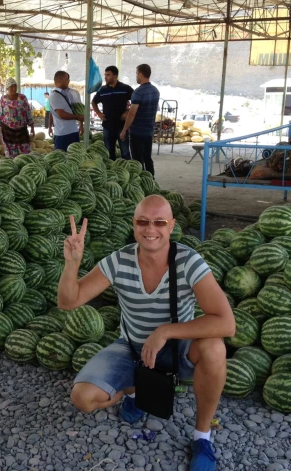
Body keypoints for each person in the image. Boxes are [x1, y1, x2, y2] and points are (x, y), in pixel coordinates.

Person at [58, 194, 234, 471]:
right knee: (83, 398)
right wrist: (72, 263)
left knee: (214, 347)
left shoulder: (189, 262)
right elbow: (68, 301)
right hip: (132, 348)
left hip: (178, 350)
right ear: (134, 224)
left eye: (159, 222)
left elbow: (226, 323)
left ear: (172, 226)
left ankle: (202, 437)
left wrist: (165, 331)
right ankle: (134, 392)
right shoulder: (118, 261)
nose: (151, 229)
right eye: (143, 222)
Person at [120, 64, 160, 176]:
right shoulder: (155, 91)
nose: (136, 76)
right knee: (148, 158)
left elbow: (132, 113)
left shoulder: (138, 92)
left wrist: (124, 131)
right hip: (149, 131)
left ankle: (141, 183)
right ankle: (151, 181)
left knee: (137, 161)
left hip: (137, 132)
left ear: (141, 75)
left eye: (136, 74)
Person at [92, 66, 133, 160]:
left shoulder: (125, 88)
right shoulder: (102, 90)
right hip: (107, 126)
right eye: (105, 75)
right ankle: (111, 173)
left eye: (108, 75)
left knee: (125, 152)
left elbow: (136, 102)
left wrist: (127, 111)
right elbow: (94, 102)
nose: (105, 77)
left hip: (122, 127)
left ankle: (128, 171)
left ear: (115, 76)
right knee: (109, 153)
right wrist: (98, 113)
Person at [0, 78, 35, 157]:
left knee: (25, 154)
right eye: (11, 86)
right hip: (7, 131)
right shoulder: (3, 99)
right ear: (7, 88)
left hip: (21, 131)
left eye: (15, 86)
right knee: (10, 155)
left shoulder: (22, 98)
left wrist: (32, 127)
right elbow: (0, 115)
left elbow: (28, 112)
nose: (14, 88)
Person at [49, 70, 84, 150]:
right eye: (67, 79)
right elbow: (61, 114)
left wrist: (81, 124)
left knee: (75, 156)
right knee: (63, 157)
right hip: (63, 133)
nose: (69, 81)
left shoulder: (69, 93)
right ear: (59, 80)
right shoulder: (54, 95)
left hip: (73, 131)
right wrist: (78, 117)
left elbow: (77, 110)